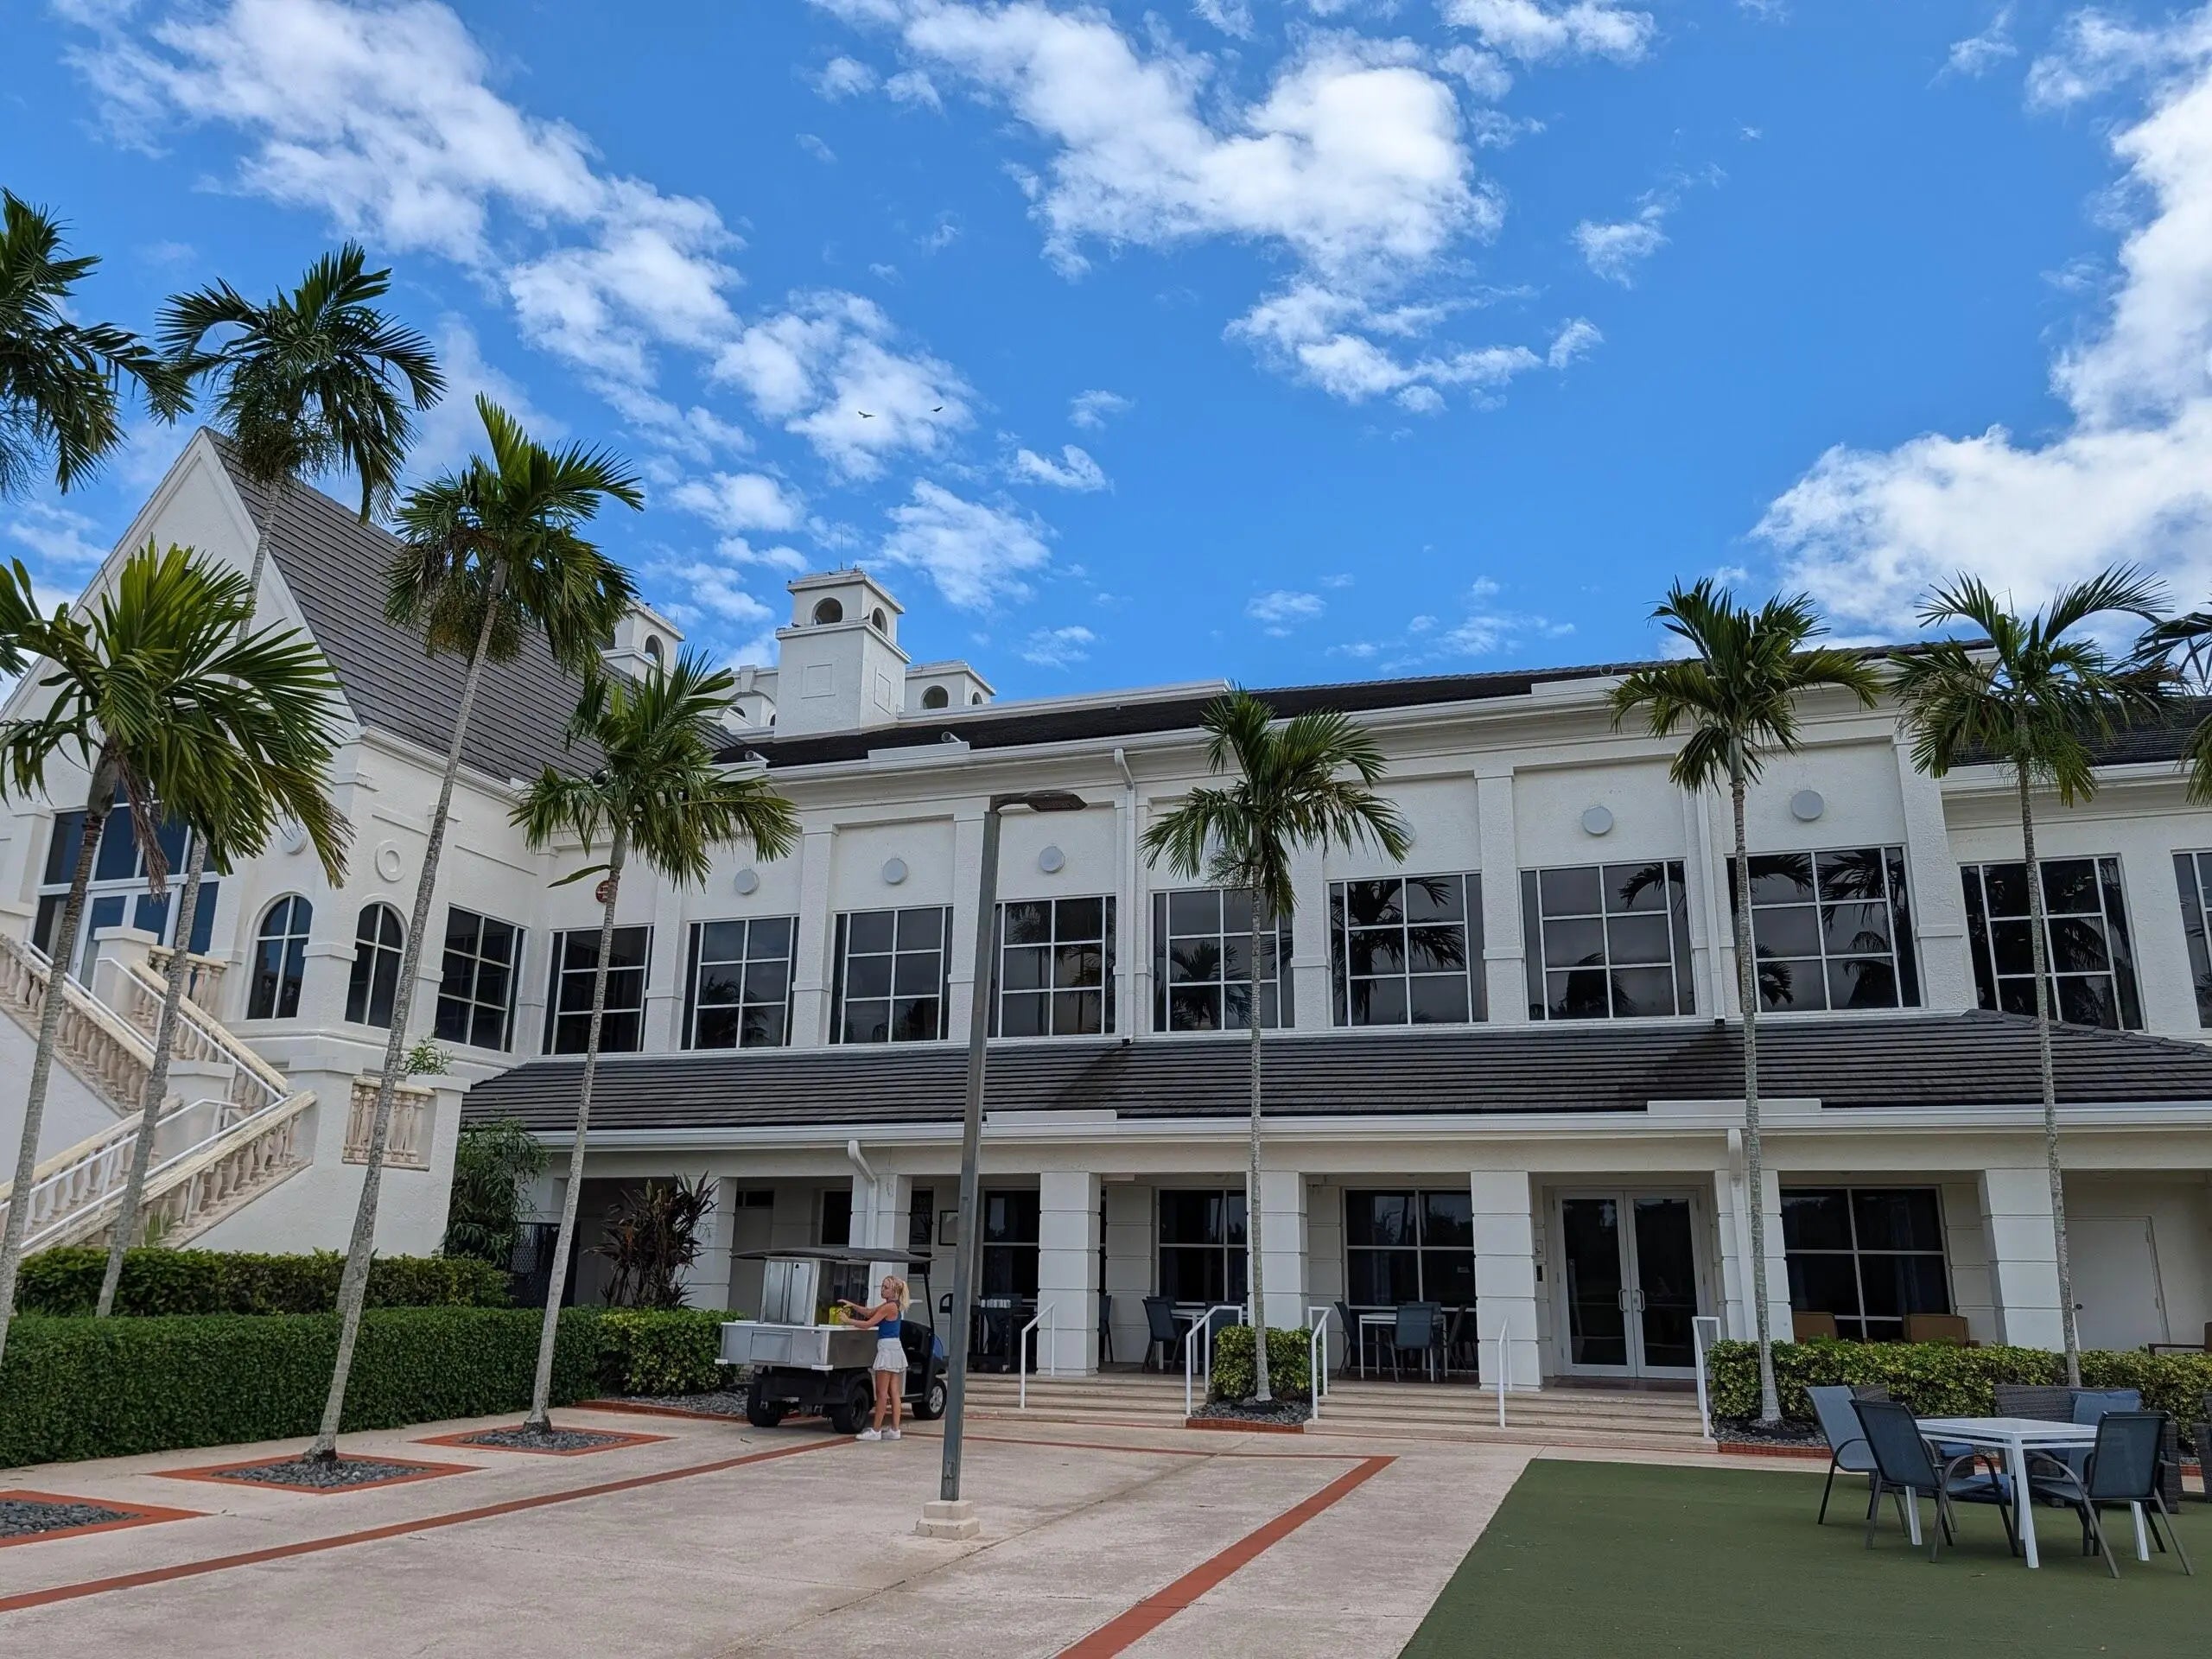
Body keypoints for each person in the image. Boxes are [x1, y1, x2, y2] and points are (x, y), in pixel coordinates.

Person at [839, 1274, 911, 1441]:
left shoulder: (889, 1307)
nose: (882, 1290)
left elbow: (868, 1323)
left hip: (887, 1349)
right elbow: (870, 1312)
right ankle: (895, 1429)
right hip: (895, 1347)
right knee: (894, 1392)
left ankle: (876, 1430)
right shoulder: (892, 1305)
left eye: (886, 1287)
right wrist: (853, 1305)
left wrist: (848, 1320)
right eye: (882, 1286)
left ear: (894, 1291)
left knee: (882, 1392)